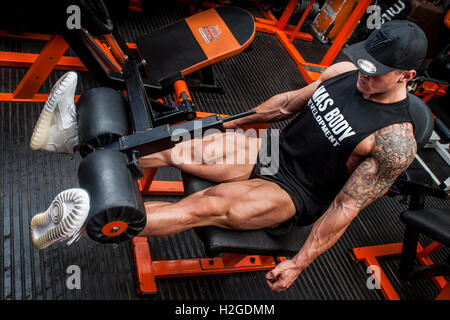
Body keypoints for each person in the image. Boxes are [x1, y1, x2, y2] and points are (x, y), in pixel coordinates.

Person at [29, 20, 427, 292]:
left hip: (295, 193)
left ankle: (86, 222)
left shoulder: (395, 141)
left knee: (204, 204)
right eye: (363, 63)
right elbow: (286, 105)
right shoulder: (343, 71)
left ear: (406, 76)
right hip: (274, 150)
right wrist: (230, 125)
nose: (363, 74)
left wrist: (300, 263)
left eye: (375, 72)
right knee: (181, 147)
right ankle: (73, 141)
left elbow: (344, 206)